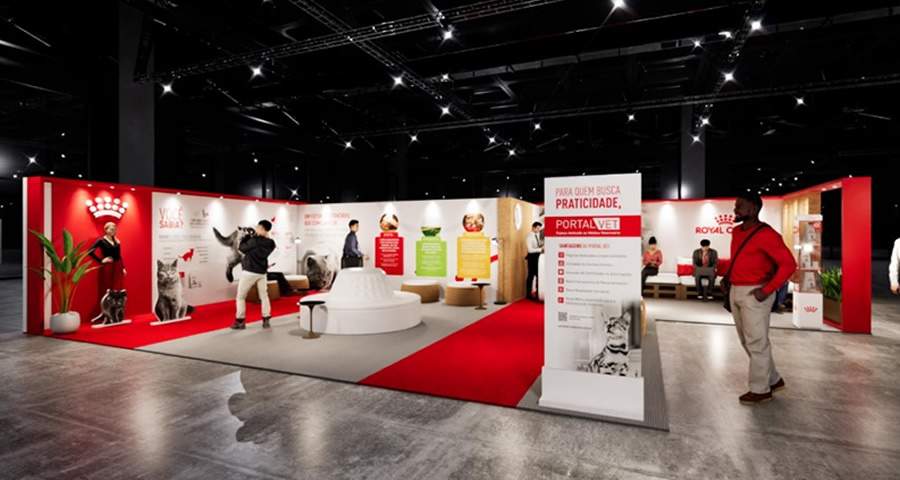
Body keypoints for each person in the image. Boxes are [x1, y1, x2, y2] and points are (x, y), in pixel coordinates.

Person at [727, 193, 797, 405]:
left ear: (754, 209)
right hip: (736, 290)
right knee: (746, 341)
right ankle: (773, 379)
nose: (735, 210)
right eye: (735, 205)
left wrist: (767, 290)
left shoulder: (768, 234)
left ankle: (760, 390)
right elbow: (740, 258)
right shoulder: (737, 231)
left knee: (757, 342)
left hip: (756, 294)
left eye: (740, 206)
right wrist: (728, 276)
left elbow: (789, 265)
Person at [231, 220, 276, 330]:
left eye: (257, 227)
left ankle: (240, 321)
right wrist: (253, 236)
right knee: (264, 296)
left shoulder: (253, 241)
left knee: (240, 297)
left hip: (249, 271)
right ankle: (266, 320)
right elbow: (262, 244)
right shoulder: (271, 243)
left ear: (261, 228)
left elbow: (241, 248)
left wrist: (245, 236)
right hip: (262, 273)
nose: (256, 228)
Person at [89, 222, 127, 297]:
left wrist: (123, 268)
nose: (113, 231)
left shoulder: (116, 240)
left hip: (118, 265)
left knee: (117, 287)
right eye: (111, 229)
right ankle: (106, 303)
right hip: (108, 266)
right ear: (106, 230)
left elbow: (119, 255)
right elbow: (90, 251)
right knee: (107, 286)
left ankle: (115, 303)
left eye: (114, 229)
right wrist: (101, 260)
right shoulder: (101, 240)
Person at [525, 221, 543, 300]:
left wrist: (541, 246)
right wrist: (540, 249)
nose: (539, 230)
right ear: (533, 227)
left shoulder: (537, 235)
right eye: (537, 228)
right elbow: (530, 250)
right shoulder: (529, 237)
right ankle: (528, 294)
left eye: (539, 228)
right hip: (532, 258)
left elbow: (537, 246)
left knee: (538, 275)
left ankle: (537, 293)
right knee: (531, 276)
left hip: (537, 258)